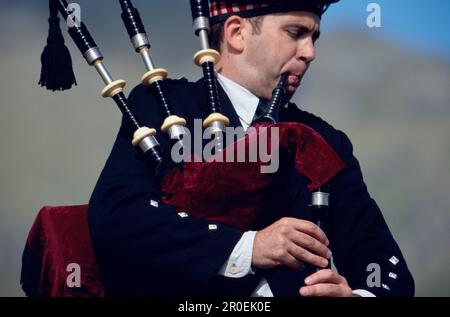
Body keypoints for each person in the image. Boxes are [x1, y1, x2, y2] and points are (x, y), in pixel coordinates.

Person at [88, 0, 415, 297]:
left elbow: (386, 269)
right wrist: (249, 248)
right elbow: (118, 218)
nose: (309, 52)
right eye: (295, 32)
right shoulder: (164, 108)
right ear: (236, 33)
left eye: (314, 37)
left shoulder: (324, 141)